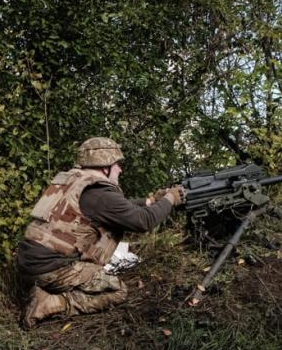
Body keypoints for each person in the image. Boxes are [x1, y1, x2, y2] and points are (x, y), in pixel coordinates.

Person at [17, 137, 184, 328]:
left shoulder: (74, 181)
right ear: (105, 165)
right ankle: (50, 304)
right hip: (52, 270)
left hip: (30, 264)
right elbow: (143, 221)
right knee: (117, 290)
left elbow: (118, 208)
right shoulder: (100, 193)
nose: (120, 169)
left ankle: (36, 289)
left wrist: (150, 201)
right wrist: (171, 199)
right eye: (117, 164)